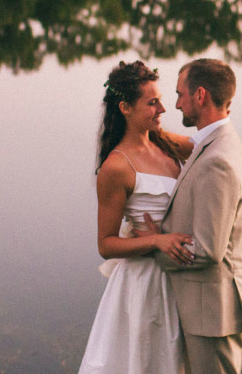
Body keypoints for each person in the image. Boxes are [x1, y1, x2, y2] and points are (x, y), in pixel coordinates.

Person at [78, 60, 196, 374]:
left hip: (179, 276)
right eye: (152, 102)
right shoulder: (116, 167)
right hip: (144, 286)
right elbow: (106, 245)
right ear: (125, 108)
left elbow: (213, 148)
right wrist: (157, 240)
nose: (163, 109)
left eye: (160, 100)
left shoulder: (165, 143)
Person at [146, 58, 242, 374]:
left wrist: (153, 246)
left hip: (213, 312)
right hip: (207, 307)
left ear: (200, 95)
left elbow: (208, 250)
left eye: (180, 94)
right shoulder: (215, 141)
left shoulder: (217, 161)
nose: (176, 104)